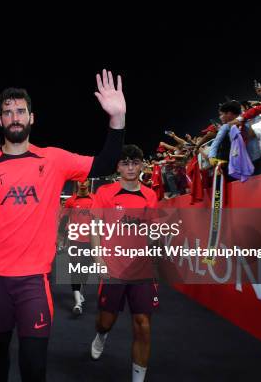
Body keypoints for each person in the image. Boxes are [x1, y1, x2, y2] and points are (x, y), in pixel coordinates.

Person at [0, 69, 126, 381]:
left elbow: (106, 163)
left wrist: (118, 119)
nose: (14, 117)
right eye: (8, 112)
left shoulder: (53, 159)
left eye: (20, 111)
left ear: (32, 117)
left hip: (33, 282)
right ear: (1, 120)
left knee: (34, 367)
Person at [89, 144, 158, 382]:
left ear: (141, 165)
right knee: (106, 322)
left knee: (143, 325)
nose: (130, 167)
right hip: (113, 269)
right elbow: (95, 227)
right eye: (125, 163)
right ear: (118, 166)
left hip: (142, 271)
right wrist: (98, 258)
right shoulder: (104, 193)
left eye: (135, 162)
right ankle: (101, 336)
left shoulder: (151, 195)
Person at [63, 179, 94, 315]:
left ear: (89, 183)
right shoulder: (70, 201)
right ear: (76, 183)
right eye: (80, 181)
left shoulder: (95, 200)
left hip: (90, 241)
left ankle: (80, 292)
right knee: (75, 268)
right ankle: (77, 303)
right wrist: (61, 239)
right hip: (74, 239)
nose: (82, 183)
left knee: (85, 270)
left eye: (85, 181)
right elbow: (64, 219)